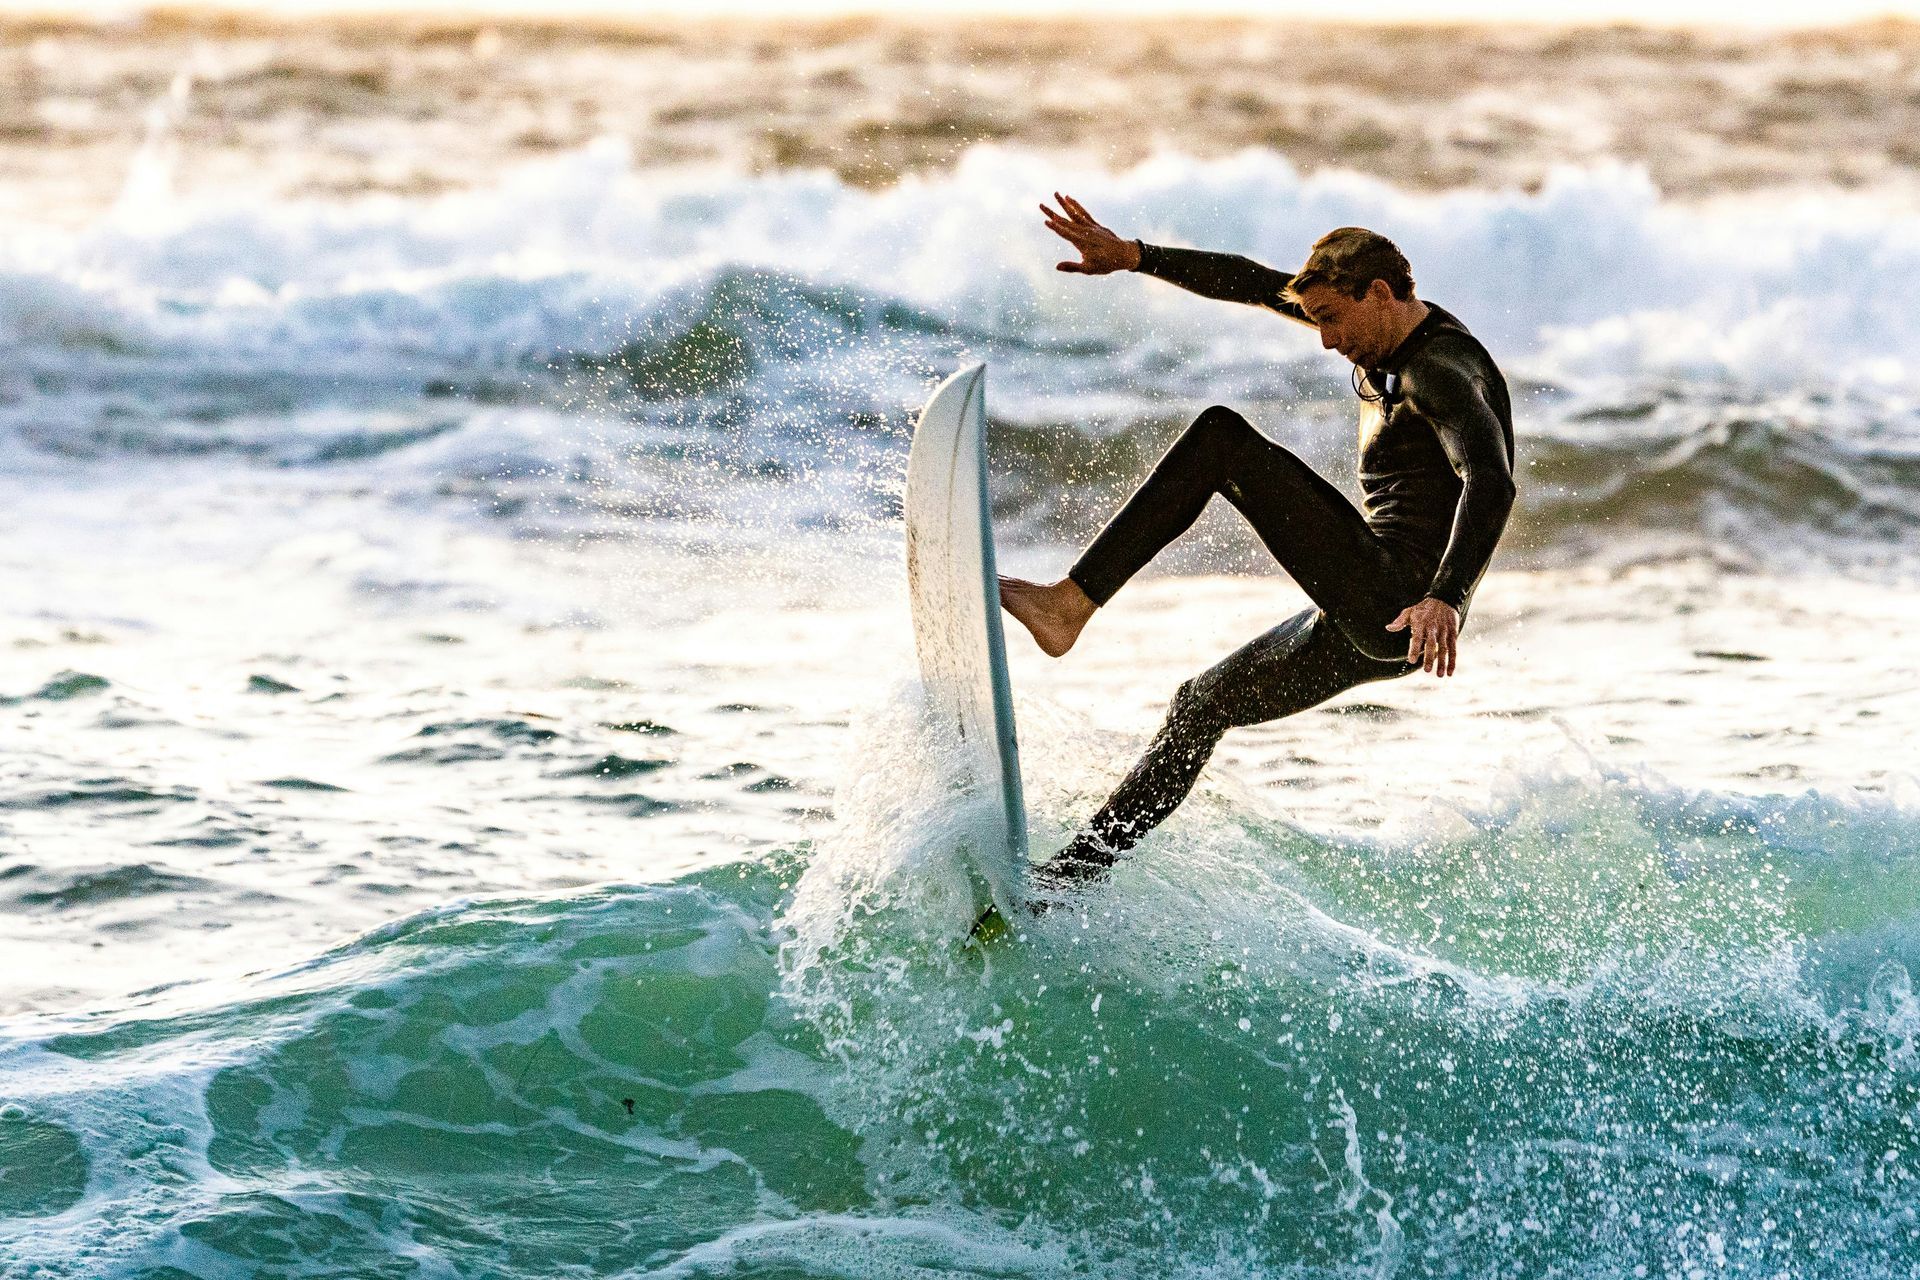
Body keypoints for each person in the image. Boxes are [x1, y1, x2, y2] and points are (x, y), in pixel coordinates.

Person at [1003, 193, 1516, 894]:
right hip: (1369, 611)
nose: (1327, 341)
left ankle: (1069, 604)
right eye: (1315, 322)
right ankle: (1063, 885)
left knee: (1221, 441)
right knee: (1200, 705)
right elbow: (1246, 279)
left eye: (1333, 320)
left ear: (1378, 293)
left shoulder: (1440, 372)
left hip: (1401, 599)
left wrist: (1445, 599)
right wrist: (1133, 257)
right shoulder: (1376, 332)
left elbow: (1490, 480)